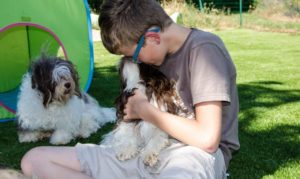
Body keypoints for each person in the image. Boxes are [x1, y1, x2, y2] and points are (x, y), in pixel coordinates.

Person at [20, 0, 240, 178]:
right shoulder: (152, 57)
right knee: (34, 160)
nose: (131, 62)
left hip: (189, 156)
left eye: (132, 55)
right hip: (139, 148)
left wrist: (144, 111)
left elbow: (208, 140)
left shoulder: (204, 50)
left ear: (152, 37)